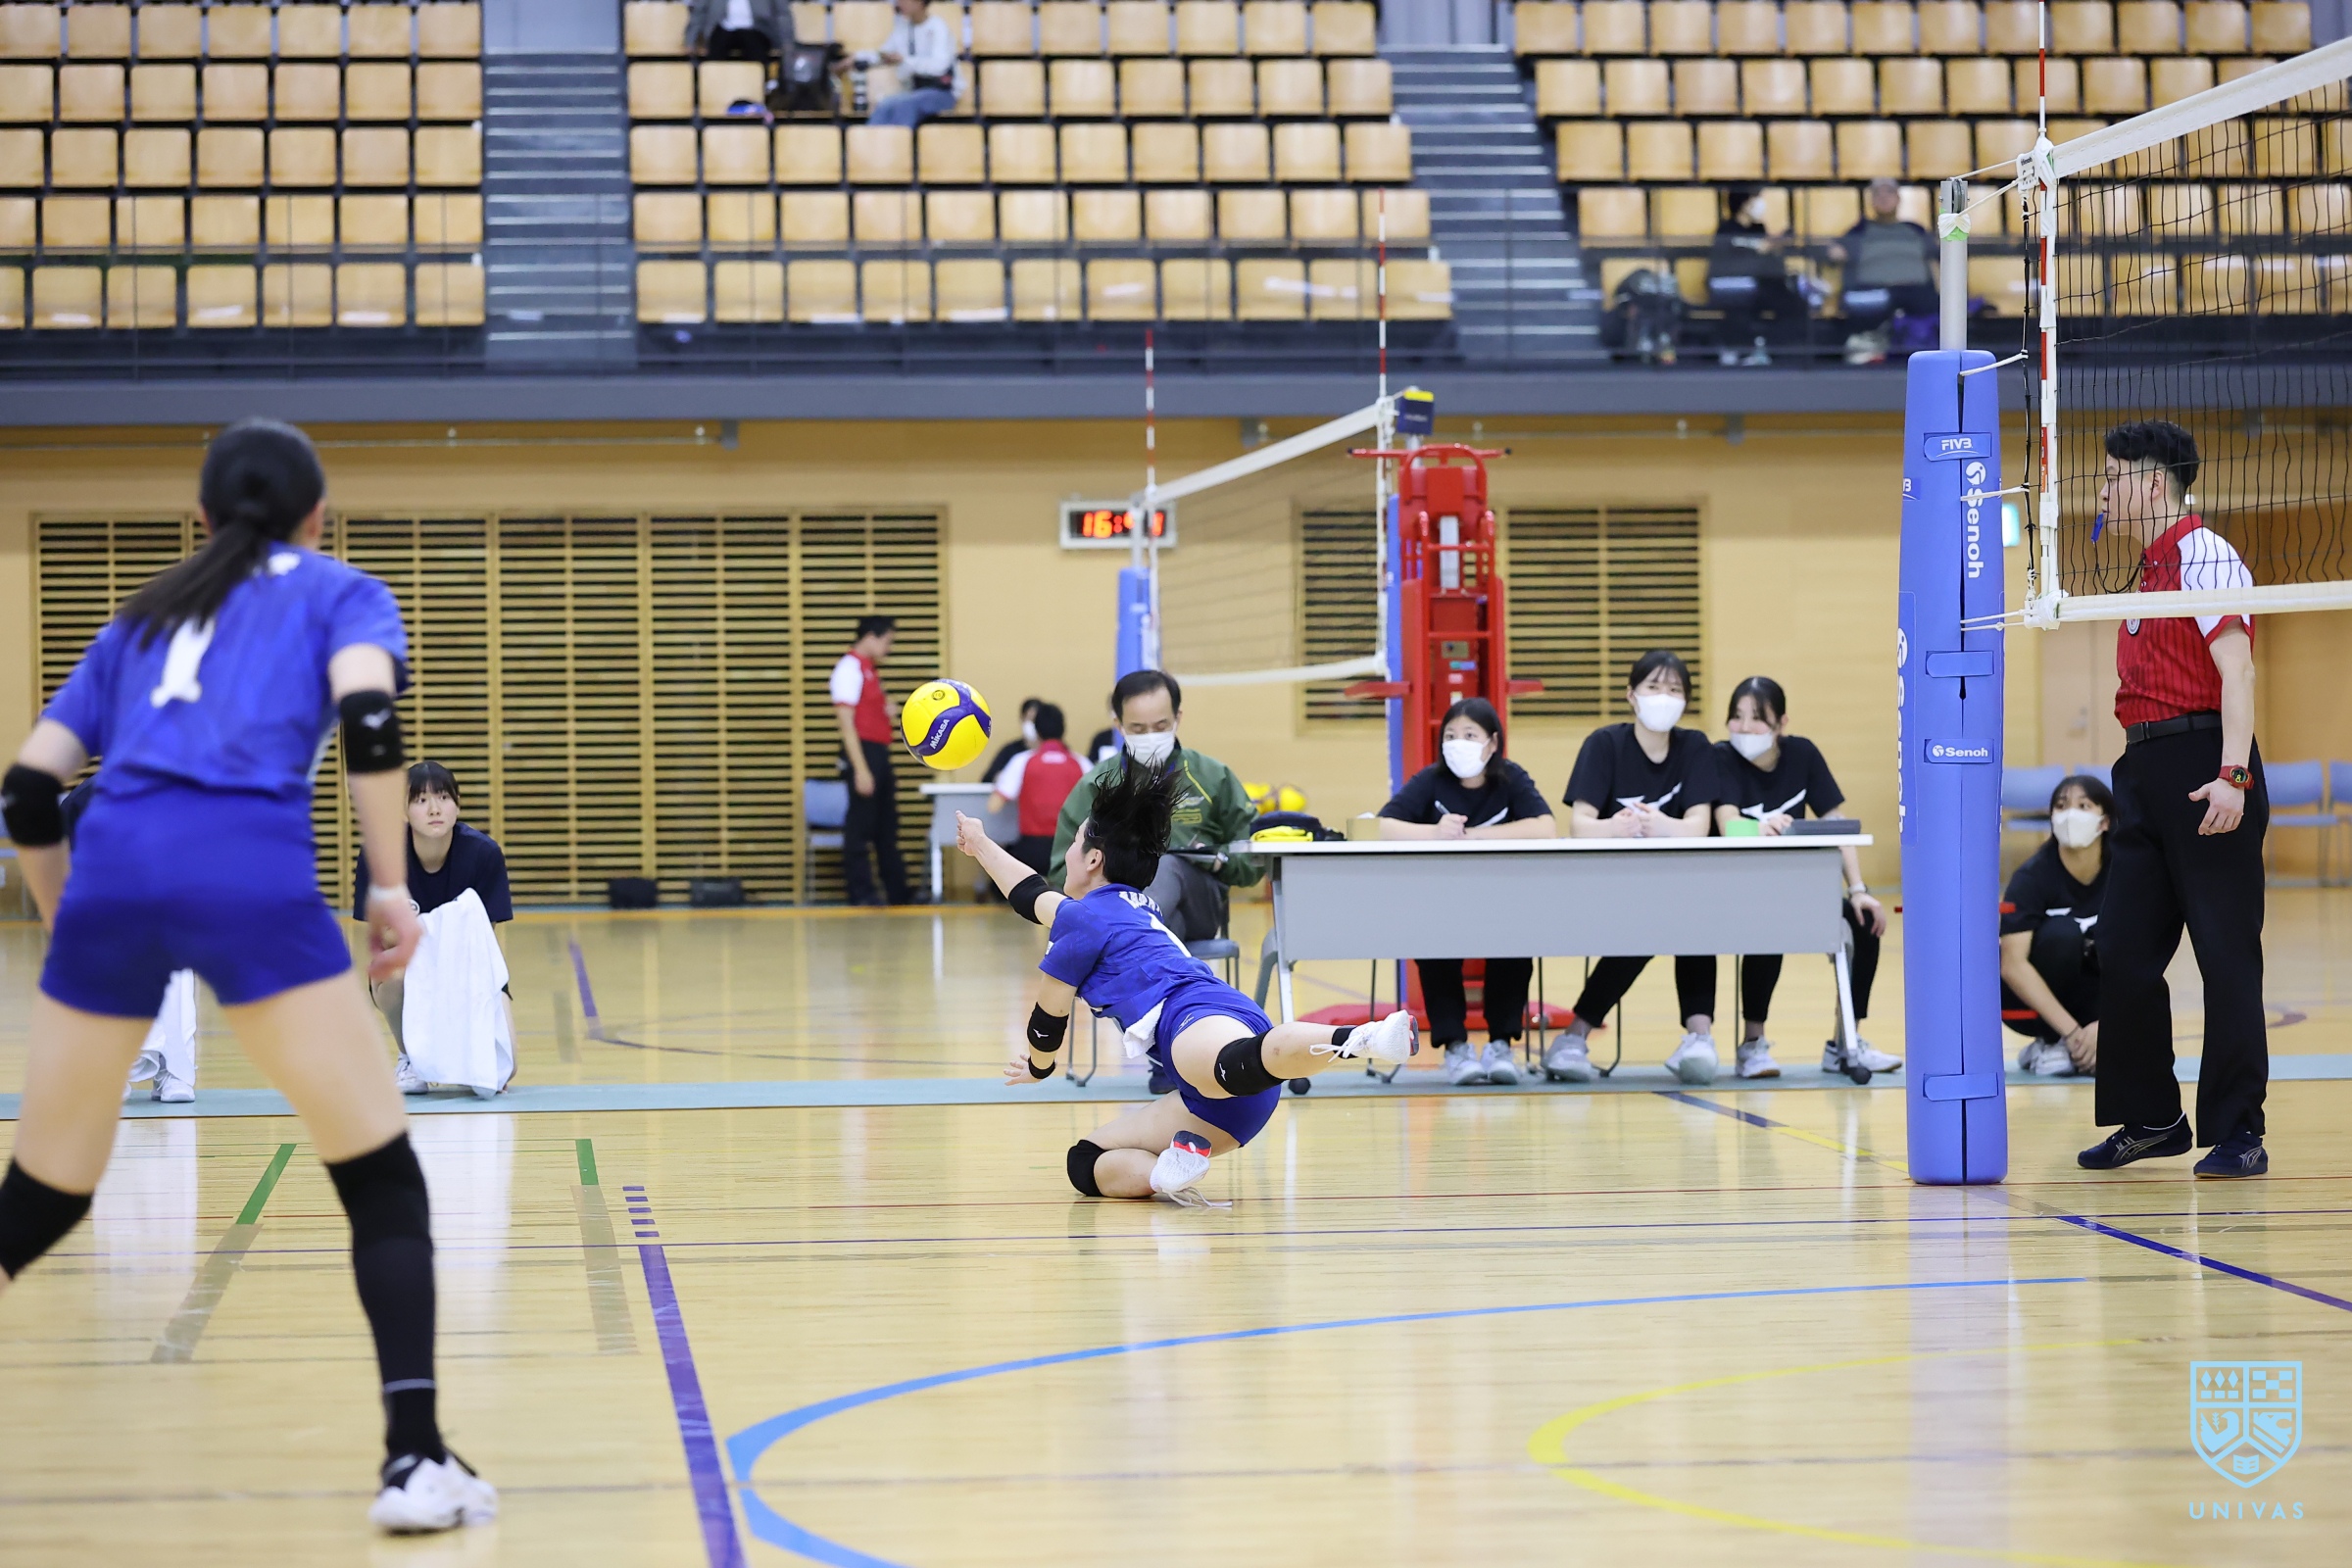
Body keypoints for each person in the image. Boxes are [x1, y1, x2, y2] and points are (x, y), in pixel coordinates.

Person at [0, 419, 495, 1532]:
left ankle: (420, 1460)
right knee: (380, 1178)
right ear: (319, 517)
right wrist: (387, 885)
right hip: (250, 882)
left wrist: (70, 922)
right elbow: (371, 718)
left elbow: (28, 795)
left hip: (112, 884)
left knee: (44, 1194)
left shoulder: (137, 620)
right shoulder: (343, 593)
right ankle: (414, 1460)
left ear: (201, 519)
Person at [956, 761, 1415, 1202]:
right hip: (1215, 1100)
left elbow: (1048, 1018)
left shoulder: (1082, 920)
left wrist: (1039, 1067)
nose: (1066, 856)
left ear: (1093, 858)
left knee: (1235, 1060)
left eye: (1074, 844)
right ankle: (1170, 1170)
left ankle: (1363, 1038)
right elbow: (1031, 895)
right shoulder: (1130, 905)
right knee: (1087, 1160)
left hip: (1194, 1016)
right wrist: (979, 844)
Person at [2079, 419, 2272, 1178]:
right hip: (2143, 772)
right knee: (2122, 950)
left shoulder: (2205, 553)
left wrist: (2234, 774)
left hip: (2207, 766)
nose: (2101, 491)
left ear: (2152, 482)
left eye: (2111, 476)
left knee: (2226, 956)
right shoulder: (2149, 571)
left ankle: (2239, 1130)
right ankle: (2155, 1118)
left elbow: (2238, 672)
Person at [1544, 650, 1723, 1084]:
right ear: (1631, 695)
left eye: (1675, 690)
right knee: (1654, 918)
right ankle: (1577, 1036)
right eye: (1653, 687)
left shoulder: (1695, 747)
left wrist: (1662, 826)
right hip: (1610, 884)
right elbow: (1580, 825)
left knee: (1686, 913)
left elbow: (1699, 827)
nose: (1664, 697)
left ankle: (1696, 1040)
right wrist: (1615, 827)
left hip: (1678, 888)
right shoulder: (1604, 745)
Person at [1712, 676, 1901, 1081]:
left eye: (1757, 718)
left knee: (1864, 922)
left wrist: (1858, 891)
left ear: (1781, 724)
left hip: (1798, 889)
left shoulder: (1803, 755)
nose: (1744, 727)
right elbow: (1725, 821)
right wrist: (1757, 827)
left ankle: (1845, 1042)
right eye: (1736, 717)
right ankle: (1752, 1044)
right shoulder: (1721, 757)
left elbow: (1836, 824)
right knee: (1768, 925)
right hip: (1738, 891)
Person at [1376, 698, 1555, 1087]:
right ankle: (1455, 1047)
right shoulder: (1430, 780)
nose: (1458, 743)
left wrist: (1476, 835)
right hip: (1441, 900)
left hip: (1503, 899)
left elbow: (1544, 826)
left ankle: (1501, 1045)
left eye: (1470, 735)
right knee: (1434, 948)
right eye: (1450, 736)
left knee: (1514, 945)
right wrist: (1434, 832)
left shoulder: (1511, 778)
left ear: (1492, 743)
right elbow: (1386, 825)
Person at [1050, 670, 1262, 946]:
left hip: (1199, 904)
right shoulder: (1096, 785)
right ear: (1118, 724)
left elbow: (1253, 856)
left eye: (1161, 726)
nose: (1150, 736)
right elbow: (1060, 868)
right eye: (1138, 729)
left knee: (1166, 865)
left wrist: (1219, 860)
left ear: (1177, 718)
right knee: (1164, 929)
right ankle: (1137, 942)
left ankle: (1125, 937)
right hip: (1118, 904)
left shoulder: (1212, 776)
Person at [351, 760, 514, 1095]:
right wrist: (445, 927)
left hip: (468, 969)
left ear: (457, 805)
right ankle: (410, 1058)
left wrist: (419, 927)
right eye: (421, 800)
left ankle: (462, 1057)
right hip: (407, 965)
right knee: (390, 977)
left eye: (443, 797)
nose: (434, 809)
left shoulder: (484, 854)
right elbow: (385, 939)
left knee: (503, 1073)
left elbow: (482, 939)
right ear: (403, 810)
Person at [2002, 773, 2112, 1078]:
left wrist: (2109, 1023)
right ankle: (2050, 1042)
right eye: (2061, 806)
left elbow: (2138, 955)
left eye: (2083, 806)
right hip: (2028, 1004)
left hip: (2098, 1001)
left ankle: (2091, 1040)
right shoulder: (2032, 877)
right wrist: (2072, 1033)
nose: (2069, 815)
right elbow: (2012, 965)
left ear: (2104, 822)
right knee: (2062, 933)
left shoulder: (2124, 874)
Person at [831, 613, 914, 906]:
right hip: (863, 753)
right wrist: (861, 769)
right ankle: (861, 893)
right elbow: (846, 724)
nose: (888, 649)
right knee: (860, 826)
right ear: (870, 637)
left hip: (878, 752)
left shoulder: (869, 671)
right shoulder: (849, 669)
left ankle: (897, 893)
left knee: (886, 825)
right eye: (887, 642)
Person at [1828, 176, 1938, 364]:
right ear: (1871, 201)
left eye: (1889, 193)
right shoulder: (1860, 231)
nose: (1884, 198)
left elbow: (1940, 251)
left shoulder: (1915, 230)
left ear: (1898, 198)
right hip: (1873, 292)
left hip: (1917, 292)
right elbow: (1834, 252)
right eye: (1878, 194)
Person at [1707, 187, 1802, 368]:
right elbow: (1727, 263)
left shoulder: (1759, 228)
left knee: (1795, 306)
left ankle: (1772, 351)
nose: (1760, 204)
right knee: (1739, 311)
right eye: (1755, 199)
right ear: (1744, 204)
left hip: (1763, 285)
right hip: (1735, 288)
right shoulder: (1726, 230)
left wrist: (1776, 248)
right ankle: (1738, 351)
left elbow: (1768, 258)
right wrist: (1761, 248)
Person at [993, 702, 1086, 874]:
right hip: (1070, 852)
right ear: (1063, 729)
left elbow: (993, 806)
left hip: (1031, 852)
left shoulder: (1022, 761)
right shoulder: (1081, 763)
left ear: (1036, 730)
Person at [862, 0, 959, 128]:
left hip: (942, 92)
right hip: (912, 91)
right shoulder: (902, 27)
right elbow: (884, 53)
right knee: (885, 104)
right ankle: (868, 139)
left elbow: (939, 67)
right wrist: (858, 58)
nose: (899, 4)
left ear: (919, 2)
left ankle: (901, 140)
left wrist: (904, 60)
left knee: (905, 104)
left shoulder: (938, 27)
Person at [688, 0, 793, 62]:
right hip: (724, 28)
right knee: (716, 52)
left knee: (754, 48)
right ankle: (715, 88)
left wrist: (787, 41)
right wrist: (690, 40)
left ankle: (756, 88)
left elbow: (782, 13)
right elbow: (699, 11)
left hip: (757, 30)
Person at [980, 696, 1043, 785]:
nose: (1032, 726)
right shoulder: (1010, 751)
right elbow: (987, 780)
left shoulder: (1051, 753)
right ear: (1022, 719)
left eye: (1035, 721)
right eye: (1029, 720)